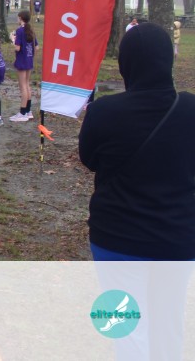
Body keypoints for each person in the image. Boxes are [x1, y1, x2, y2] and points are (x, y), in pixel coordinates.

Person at [79, 22, 195, 360]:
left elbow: (89, 160)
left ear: (125, 64)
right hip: (177, 240)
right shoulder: (191, 110)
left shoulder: (104, 111)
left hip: (117, 240)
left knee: (127, 329)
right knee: (168, 323)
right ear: (168, 60)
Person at [9, 10, 37, 121]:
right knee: (27, 85)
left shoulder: (20, 31)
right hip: (29, 59)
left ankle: (22, 112)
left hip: (22, 60)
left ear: (20, 18)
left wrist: (13, 40)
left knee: (23, 87)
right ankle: (28, 111)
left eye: (18, 17)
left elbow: (17, 48)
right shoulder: (31, 30)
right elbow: (36, 47)